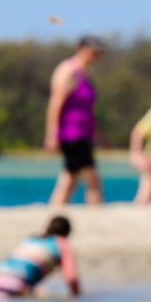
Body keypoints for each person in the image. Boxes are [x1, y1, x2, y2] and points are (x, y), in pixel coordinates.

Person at [45, 37, 107, 207]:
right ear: (81, 48)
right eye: (93, 52)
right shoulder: (68, 70)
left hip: (84, 133)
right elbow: (56, 102)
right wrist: (52, 134)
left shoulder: (86, 73)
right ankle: (97, 212)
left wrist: (100, 135)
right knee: (93, 179)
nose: (96, 56)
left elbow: (88, 111)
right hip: (71, 134)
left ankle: (55, 211)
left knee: (70, 178)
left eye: (98, 53)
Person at [0, 215, 80, 299]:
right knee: (45, 296)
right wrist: (77, 297)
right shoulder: (62, 244)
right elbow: (72, 278)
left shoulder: (31, 238)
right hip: (19, 282)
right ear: (67, 233)